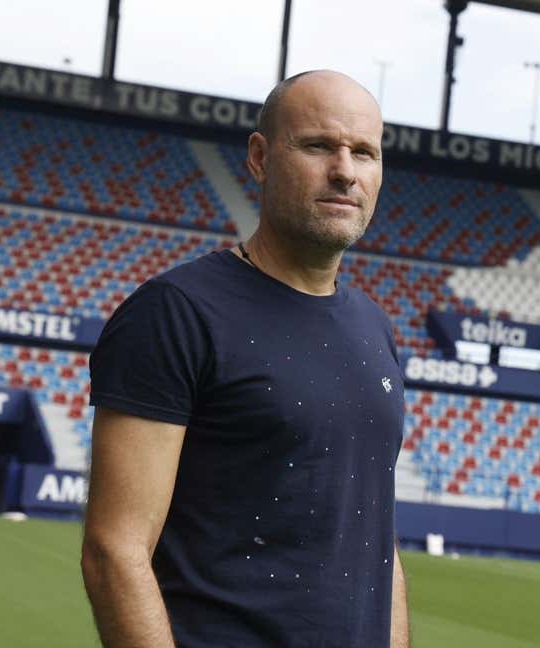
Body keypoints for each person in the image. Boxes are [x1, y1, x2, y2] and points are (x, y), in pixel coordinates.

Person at [81, 70, 409, 648]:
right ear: (259, 157)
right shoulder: (175, 313)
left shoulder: (375, 328)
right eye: (317, 146)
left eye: (364, 152)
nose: (345, 171)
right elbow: (115, 551)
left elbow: (379, 546)